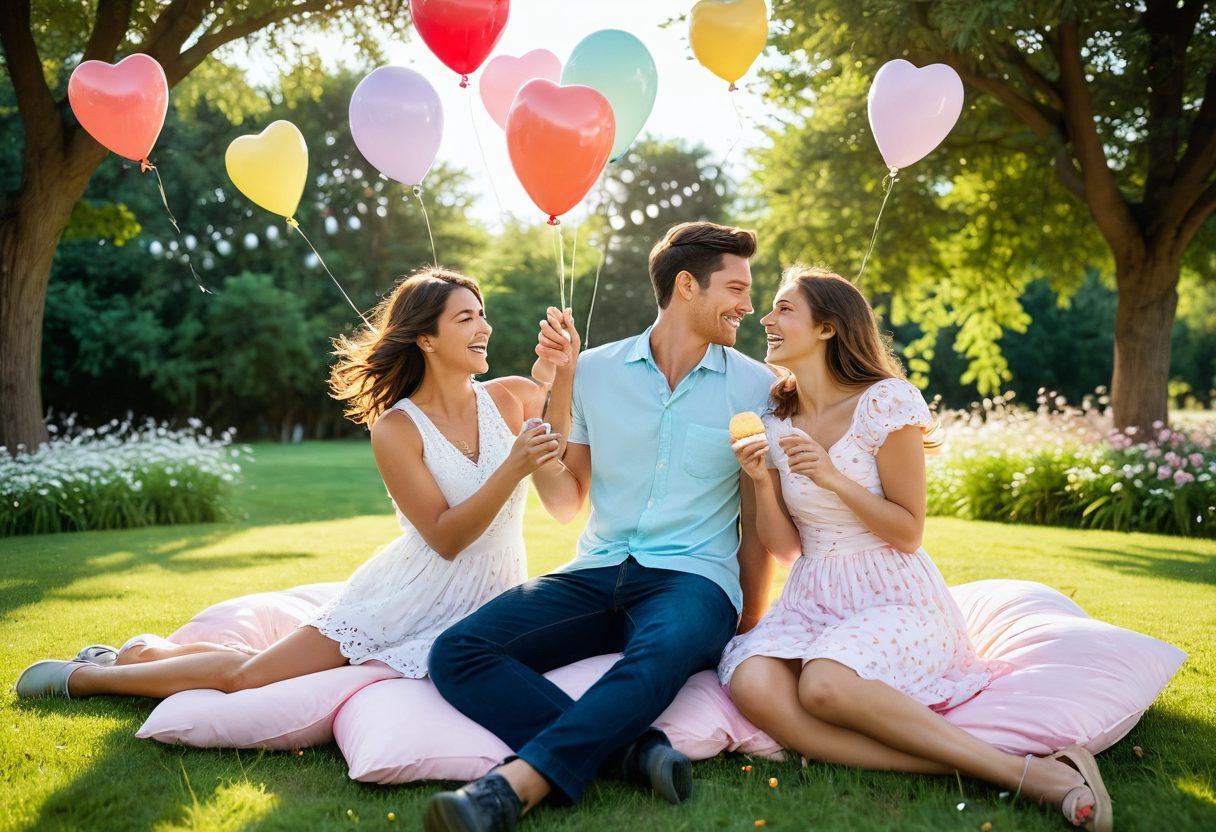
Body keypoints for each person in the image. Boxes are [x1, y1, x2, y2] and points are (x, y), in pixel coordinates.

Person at [16, 267, 577, 699]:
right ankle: (87, 677)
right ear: (425, 340)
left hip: (490, 595)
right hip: (406, 594)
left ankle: (148, 655)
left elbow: (564, 494)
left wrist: (562, 369)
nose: (485, 327)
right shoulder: (397, 429)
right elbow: (446, 539)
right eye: (466, 318)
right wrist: (511, 469)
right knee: (251, 677)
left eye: (482, 314)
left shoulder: (512, 398)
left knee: (272, 667)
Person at [722, 265, 1112, 832]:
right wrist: (761, 483)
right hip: (814, 596)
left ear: (828, 328)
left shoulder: (886, 402)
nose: (767, 317)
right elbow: (784, 548)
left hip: (893, 595)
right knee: (753, 681)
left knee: (824, 686)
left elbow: (908, 531)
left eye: (784, 309)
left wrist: (833, 479)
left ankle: (1030, 776)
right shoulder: (773, 420)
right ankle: (1007, 769)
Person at [420, 222, 777, 832]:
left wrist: (747, 621)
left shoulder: (759, 388)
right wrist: (555, 389)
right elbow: (567, 499)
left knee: (655, 654)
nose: (749, 306)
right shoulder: (595, 371)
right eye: (737, 289)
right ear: (686, 286)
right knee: (457, 651)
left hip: (693, 582)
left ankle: (513, 789)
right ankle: (631, 753)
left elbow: (756, 517)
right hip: (596, 569)